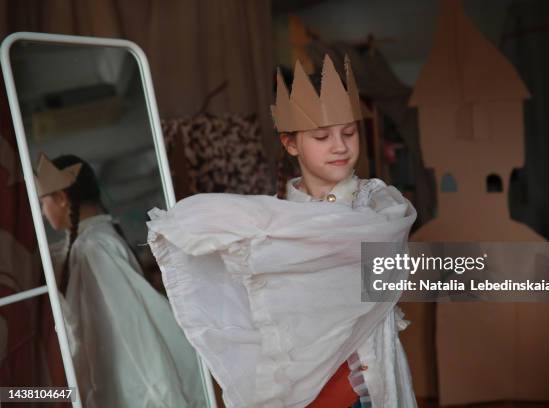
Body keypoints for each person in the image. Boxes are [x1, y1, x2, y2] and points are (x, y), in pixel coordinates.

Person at [147, 55, 418, 407]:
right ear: (291, 144)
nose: (340, 146)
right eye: (322, 136)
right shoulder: (273, 219)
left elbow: (384, 253)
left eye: (349, 132)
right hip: (303, 392)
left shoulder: (379, 204)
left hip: (364, 386)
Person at [36, 153, 208, 408]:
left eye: (43, 202)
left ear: (61, 199)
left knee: (12, 394)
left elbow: (132, 326)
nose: (42, 211)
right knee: (12, 394)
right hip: (112, 379)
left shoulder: (94, 247)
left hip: (126, 382)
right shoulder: (90, 242)